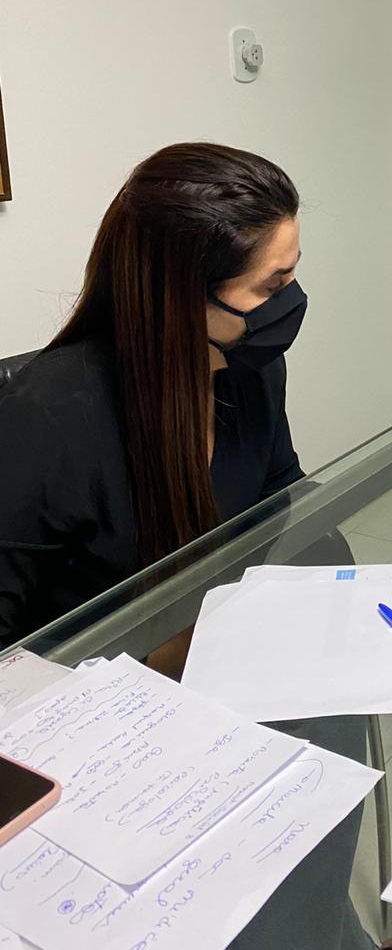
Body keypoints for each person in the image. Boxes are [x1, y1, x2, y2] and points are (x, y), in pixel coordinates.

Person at [0, 141, 308, 645]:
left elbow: (278, 502)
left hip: (216, 645)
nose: (290, 300)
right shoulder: (45, 420)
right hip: (92, 681)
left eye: (293, 274)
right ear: (180, 297)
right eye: (272, 286)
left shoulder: (254, 370)